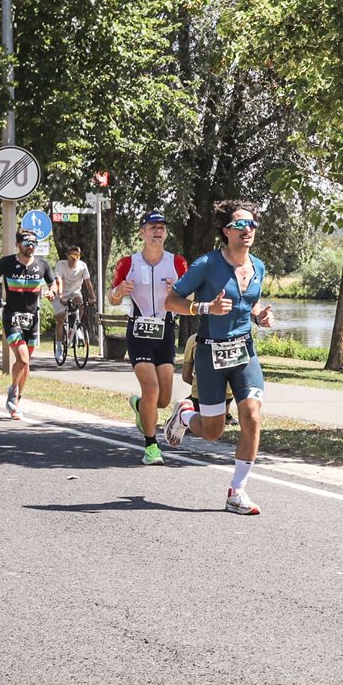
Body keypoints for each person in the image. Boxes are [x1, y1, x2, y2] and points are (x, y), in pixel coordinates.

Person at [161, 201, 274, 514]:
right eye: (239, 225)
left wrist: (260, 316)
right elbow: (171, 301)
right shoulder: (207, 264)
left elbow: (249, 303)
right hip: (210, 352)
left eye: (251, 224)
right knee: (213, 432)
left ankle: (237, 491)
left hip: (244, 350)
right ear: (226, 231)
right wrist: (204, 307)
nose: (247, 230)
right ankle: (185, 415)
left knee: (252, 415)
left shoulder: (258, 266)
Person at [109, 213, 188, 465]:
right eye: (153, 227)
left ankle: (140, 405)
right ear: (142, 232)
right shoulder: (128, 263)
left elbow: (191, 299)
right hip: (138, 332)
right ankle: (151, 447)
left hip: (165, 331)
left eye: (162, 227)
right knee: (152, 389)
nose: (158, 231)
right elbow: (112, 298)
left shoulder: (177, 262)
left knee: (162, 399)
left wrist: (179, 294)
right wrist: (118, 291)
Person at [0, 231, 54, 419]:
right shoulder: (6, 262)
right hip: (12, 316)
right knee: (22, 359)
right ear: (18, 244)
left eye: (34, 243)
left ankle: (16, 400)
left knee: (26, 364)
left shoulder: (42, 264)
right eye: (26, 243)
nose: (30, 246)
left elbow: (53, 283)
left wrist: (52, 292)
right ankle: (13, 390)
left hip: (33, 318)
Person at [51, 245, 93, 363]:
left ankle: (77, 327)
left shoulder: (82, 266)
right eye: (72, 255)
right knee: (61, 319)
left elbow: (87, 282)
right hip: (61, 293)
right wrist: (61, 296)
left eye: (77, 256)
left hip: (74, 292)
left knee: (80, 303)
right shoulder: (61, 265)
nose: (74, 258)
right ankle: (59, 347)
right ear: (67, 256)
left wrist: (92, 296)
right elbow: (59, 281)